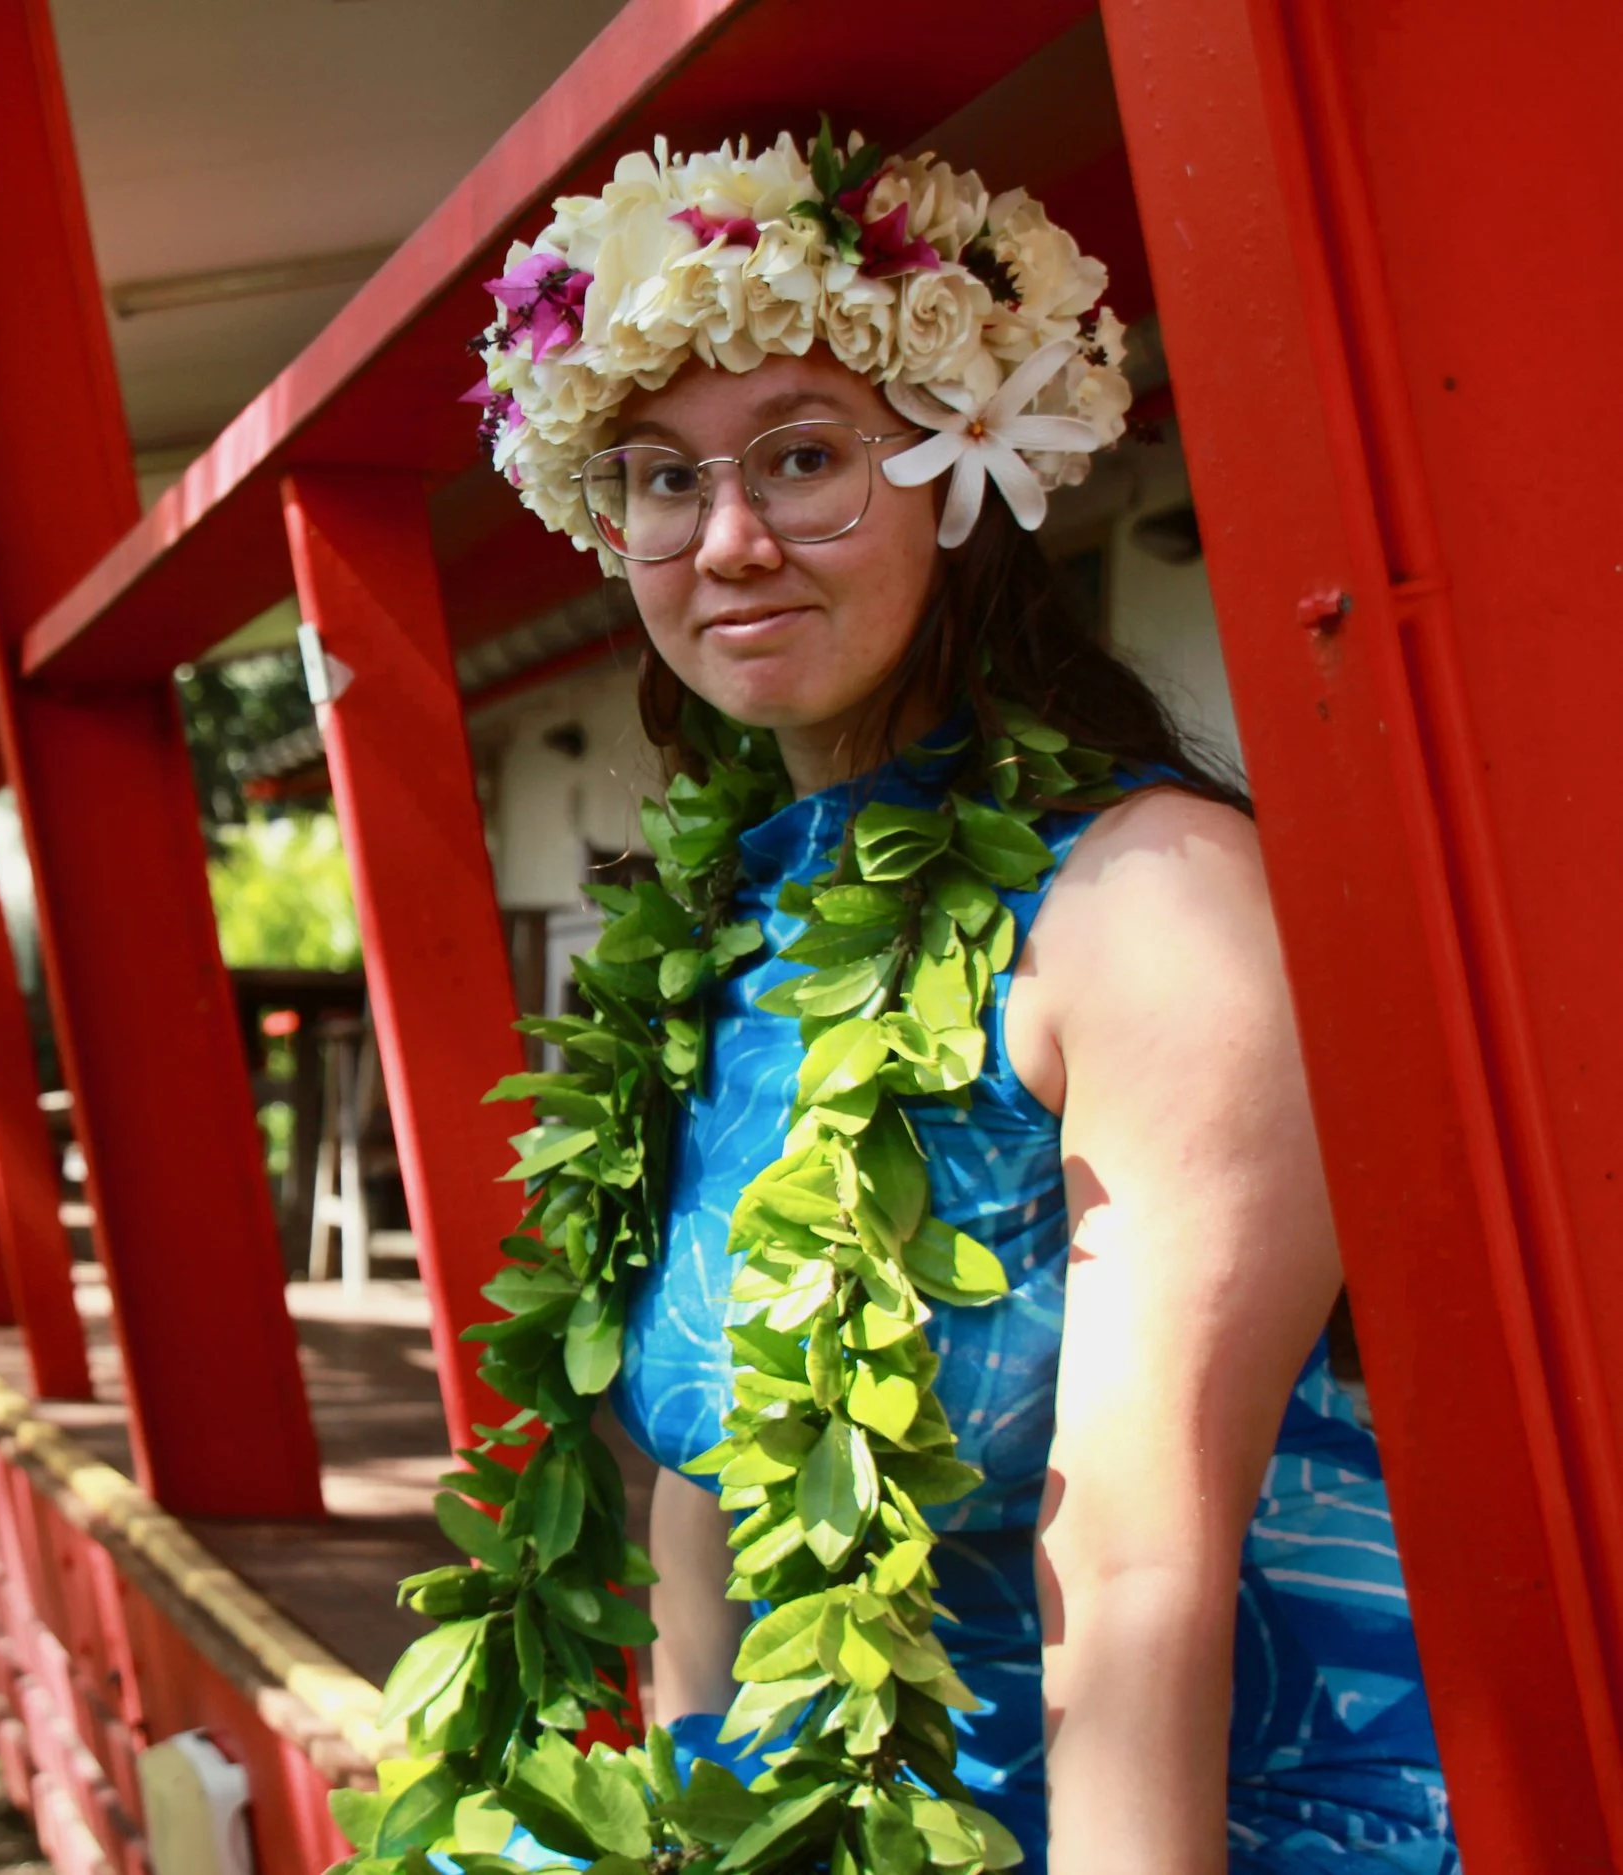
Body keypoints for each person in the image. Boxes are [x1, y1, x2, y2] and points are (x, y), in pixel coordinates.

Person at [462, 131, 1456, 1873]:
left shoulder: (1147, 910)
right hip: (840, 1803)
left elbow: (1142, 1565)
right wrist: (694, 1828)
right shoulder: (718, 923)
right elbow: (710, 1499)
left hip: (1212, 1808)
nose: (734, 538)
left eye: (806, 459)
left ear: (961, 474)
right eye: (664, 479)